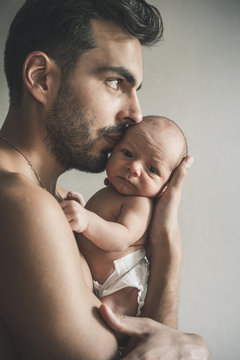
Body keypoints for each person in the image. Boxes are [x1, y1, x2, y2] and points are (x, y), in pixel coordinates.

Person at [0, 0, 209, 359]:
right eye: (116, 82)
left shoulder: (59, 200)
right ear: (41, 78)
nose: (135, 113)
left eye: (136, 88)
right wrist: (167, 253)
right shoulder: (24, 204)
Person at [61, 116, 188, 320]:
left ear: (165, 187)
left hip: (120, 286)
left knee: (105, 320)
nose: (134, 168)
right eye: (128, 154)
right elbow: (102, 222)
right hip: (94, 278)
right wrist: (82, 209)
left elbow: (120, 238)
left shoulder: (140, 204)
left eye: (152, 169)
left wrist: (86, 221)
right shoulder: (112, 192)